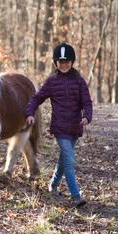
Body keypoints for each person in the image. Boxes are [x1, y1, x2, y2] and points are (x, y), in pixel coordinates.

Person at [25, 43, 93, 208]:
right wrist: (29, 113)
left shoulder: (79, 81)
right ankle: (75, 195)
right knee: (69, 160)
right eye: (60, 62)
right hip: (60, 127)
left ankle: (53, 185)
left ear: (72, 62)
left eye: (67, 62)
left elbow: (87, 102)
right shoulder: (51, 81)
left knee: (64, 159)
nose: (64, 65)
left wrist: (87, 117)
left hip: (75, 128)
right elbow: (36, 98)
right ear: (55, 63)